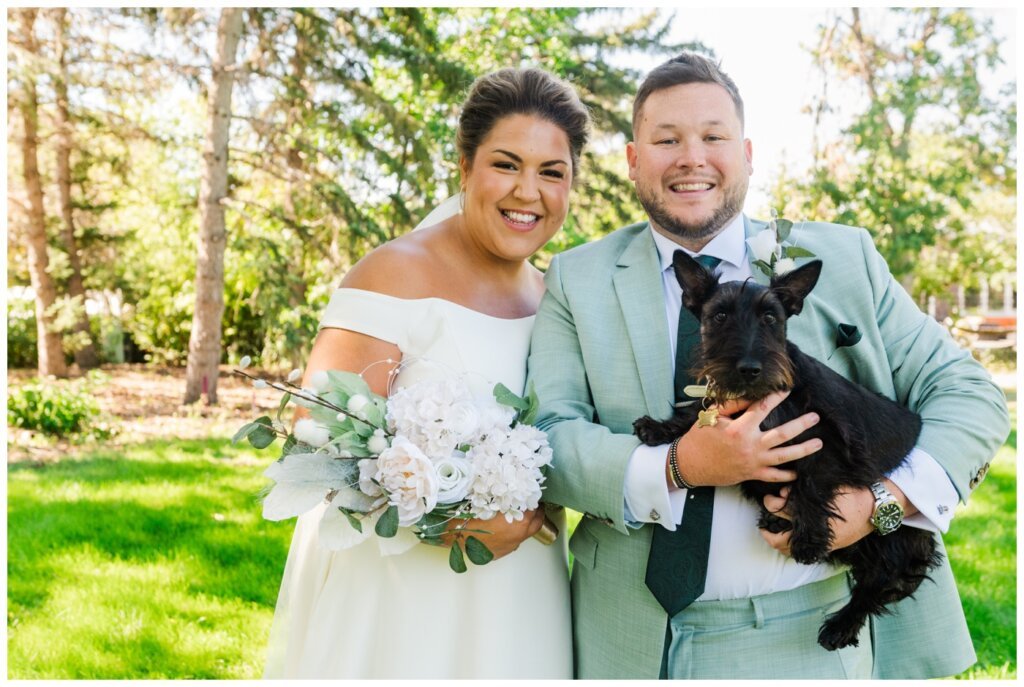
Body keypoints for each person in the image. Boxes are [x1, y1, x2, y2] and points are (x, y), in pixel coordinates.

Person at [527, 52, 1009, 679]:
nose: (691, 157)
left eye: (713, 136)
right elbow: (549, 437)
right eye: (666, 139)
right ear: (634, 159)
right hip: (636, 641)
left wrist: (878, 507)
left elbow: (972, 394)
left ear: (748, 153)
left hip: (814, 634)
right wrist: (676, 466)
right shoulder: (576, 277)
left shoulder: (844, 256)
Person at [262, 67, 590, 679]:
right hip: (400, 594)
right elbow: (316, 433)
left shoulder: (555, 299)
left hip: (523, 593)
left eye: (553, 173)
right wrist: (444, 522)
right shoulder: (394, 273)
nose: (529, 192)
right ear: (464, 166)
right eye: (506, 164)